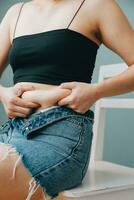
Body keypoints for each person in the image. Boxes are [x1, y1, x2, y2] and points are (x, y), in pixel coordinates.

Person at [0, 0, 134, 199]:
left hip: (62, 136)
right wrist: (4, 94)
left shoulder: (97, 5)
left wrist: (96, 91)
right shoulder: (15, 13)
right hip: (14, 131)